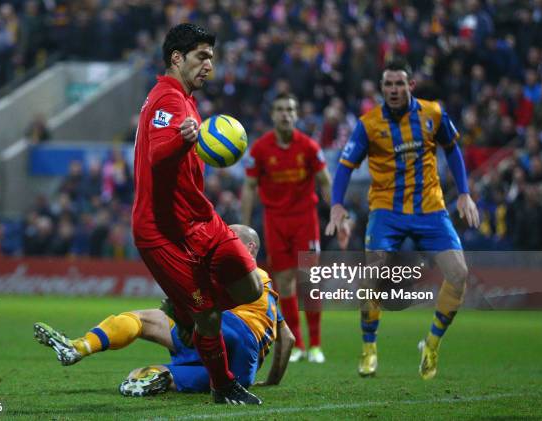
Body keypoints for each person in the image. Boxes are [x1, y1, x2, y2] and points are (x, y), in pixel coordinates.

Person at [130, 23, 264, 405]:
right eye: (202, 57)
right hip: (162, 230)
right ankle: (223, 386)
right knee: (209, 317)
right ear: (177, 58)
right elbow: (157, 156)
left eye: (212, 58)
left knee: (250, 287)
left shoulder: (185, 99)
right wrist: (182, 138)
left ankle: (186, 310)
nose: (210, 65)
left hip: (199, 219)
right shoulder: (166, 99)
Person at [326, 58, 479, 380]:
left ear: (411, 85)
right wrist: (337, 205)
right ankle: (369, 348)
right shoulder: (368, 124)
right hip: (386, 211)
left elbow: (453, 149)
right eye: (388, 84)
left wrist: (464, 192)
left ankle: (432, 344)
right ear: (382, 89)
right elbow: (344, 167)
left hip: (431, 210)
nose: (394, 89)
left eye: (399, 83)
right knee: (371, 277)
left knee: (459, 274)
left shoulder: (433, 113)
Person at [34, 225, 294, 396]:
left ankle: (81, 346)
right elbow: (288, 340)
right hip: (240, 370)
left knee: (149, 318)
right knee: (159, 372)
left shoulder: (241, 272)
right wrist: (272, 381)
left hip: (229, 330)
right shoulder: (269, 293)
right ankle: (154, 377)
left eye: (232, 239)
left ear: (249, 248)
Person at [241, 93, 331, 363]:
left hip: (305, 220)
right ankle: (299, 345)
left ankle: (315, 344)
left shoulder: (309, 147)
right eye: (280, 109)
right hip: (275, 221)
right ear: (273, 114)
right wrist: (244, 226)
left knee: (310, 278)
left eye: (290, 109)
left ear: (296, 114)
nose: (285, 114)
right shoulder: (260, 149)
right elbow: (249, 187)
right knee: (284, 282)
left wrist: (338, 213)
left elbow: (325, 181)